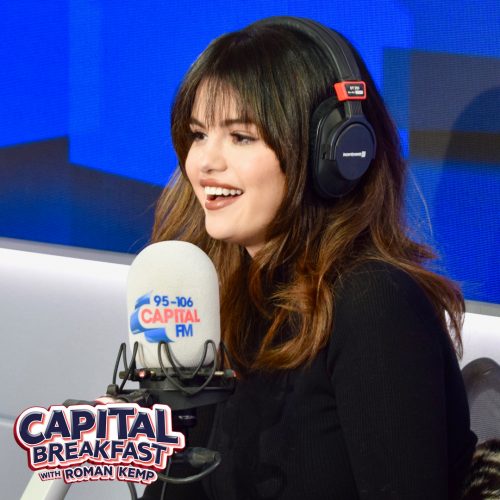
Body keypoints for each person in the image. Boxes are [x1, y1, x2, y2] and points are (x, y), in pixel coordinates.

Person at [144, 16, 477, 500]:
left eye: (241, 137)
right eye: (198, 134)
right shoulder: (215, 299)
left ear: (336, 152)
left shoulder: (373, 303)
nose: (204, 163)